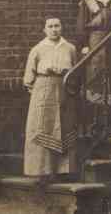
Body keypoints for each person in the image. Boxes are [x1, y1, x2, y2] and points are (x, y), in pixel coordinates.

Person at [23, 18, 78, 184]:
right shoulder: (37, 49)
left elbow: (76, 71)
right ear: (45, 30)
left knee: (65, 126)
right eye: (50, 26)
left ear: (62, 28)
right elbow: (29, 77)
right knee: (42, 126)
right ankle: (42, 171)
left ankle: (64, 170)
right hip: (43, 89)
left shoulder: (70, 48)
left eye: (57, 26)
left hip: (64, 89)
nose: (54, 29)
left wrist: (69, 81)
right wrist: (38, 90)